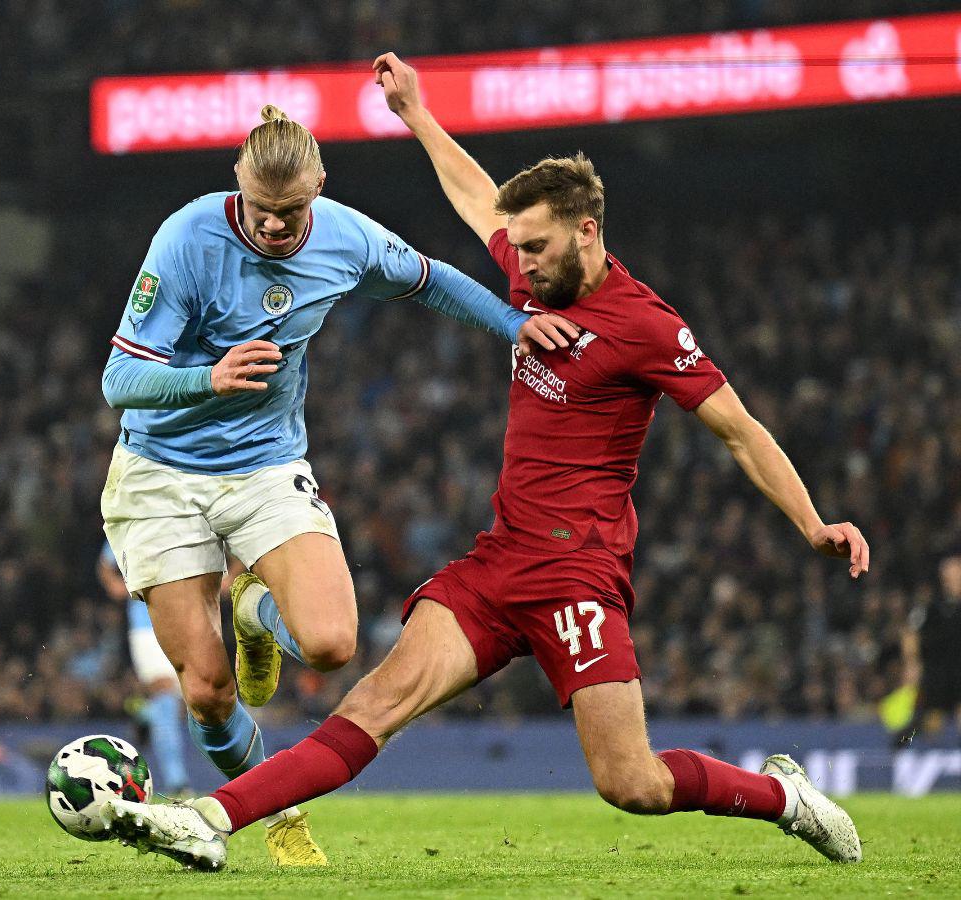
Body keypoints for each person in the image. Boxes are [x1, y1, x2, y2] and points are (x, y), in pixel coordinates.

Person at [99, 54, 871, 870]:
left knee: (632, 782)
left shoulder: (646, 326)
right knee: (372, 703)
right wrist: (416, 115)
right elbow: (477, 198)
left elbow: (740, 430)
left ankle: (785, 796)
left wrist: (812, 522)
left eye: (535, 248)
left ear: (587, 231)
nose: (519, 264)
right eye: (517, 248)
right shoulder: (535, 281)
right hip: (499, 563)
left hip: (578, 575)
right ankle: (209, 818)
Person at [97, 105, 574, 865]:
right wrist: (207, 378)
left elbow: (431, 280)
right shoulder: (186, 239)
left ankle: (253, 610)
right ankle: (279, 817)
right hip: (161, 474)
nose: (274, 225)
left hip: (264, 465)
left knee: (329, 645)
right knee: (209, 690)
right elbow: (119, 380)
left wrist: (513, 326)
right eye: (260, 208)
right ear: (238, 182)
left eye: (290, 211)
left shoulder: (346, 238)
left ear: (318, 187)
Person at [97, 541, 192, 795]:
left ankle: (143, 715)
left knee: (188, 703)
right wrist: (114, 585)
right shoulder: (133, 524)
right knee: (165, 696)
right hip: (147, 626)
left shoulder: (189, 522)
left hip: (190, 622)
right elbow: (105, 563)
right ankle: (177, 781)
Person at [896, 549, 961, 745]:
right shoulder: (931, 605)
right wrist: (912, 663)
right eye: (946, 574)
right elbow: (910, 632)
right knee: (929, 723)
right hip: (936, 674)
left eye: (954, 573)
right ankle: (917, 749)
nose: (950, 579)